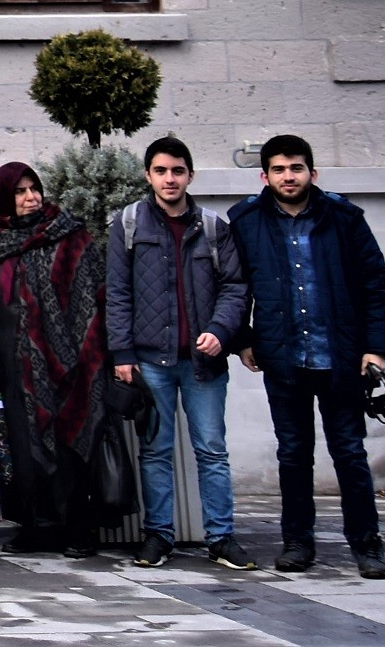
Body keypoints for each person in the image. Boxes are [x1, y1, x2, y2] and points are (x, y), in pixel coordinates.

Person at [229, 133, 385, 579]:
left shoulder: (345, 218)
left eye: (296, 168)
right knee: (293, 454)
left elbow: (375, 283)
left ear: (312, 173)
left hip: (340, 358)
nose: (289, 176)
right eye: (279, 169)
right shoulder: (245, 221)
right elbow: (233, 286)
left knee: (350, 454)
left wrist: (377, 348)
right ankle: (298, 543)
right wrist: (242, 338)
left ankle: (367, 545)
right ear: (264, 175)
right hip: (283, 360)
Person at [106, 136, 255, 570]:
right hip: (151, 361)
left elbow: (235, 286)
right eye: (161, 171)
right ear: (148, 175)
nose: (169, 179)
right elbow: (117, 292)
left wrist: (221, 331)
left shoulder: (213, 226)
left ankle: (221, 537)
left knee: (211, 449)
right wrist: (122, 353)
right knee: (155, 450)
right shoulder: (129, 223)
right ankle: (159, 536)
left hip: (203, 363)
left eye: (177, 171)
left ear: (190, 174)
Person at [0, 161, 108, 558]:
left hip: (72, 362)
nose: (31, 197)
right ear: (4, 197)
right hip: (17, 363)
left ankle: (77, 527)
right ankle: (36, 525)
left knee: (71, 441)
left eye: (34, 188)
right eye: (19, 191)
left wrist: (85, 351)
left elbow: (93, 295)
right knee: (24, 447)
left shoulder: (70, 235)